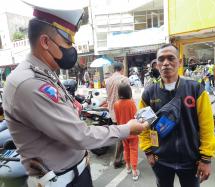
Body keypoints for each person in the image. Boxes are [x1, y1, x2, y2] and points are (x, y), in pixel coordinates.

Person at [2, 2, 148, 187]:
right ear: (45, 42)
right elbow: (80, 135)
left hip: (75, 174)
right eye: (68, 42)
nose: (72, 49)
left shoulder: (44, 73)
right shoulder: (29, 82)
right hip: (59, 182)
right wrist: (127, 129)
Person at [139, 44, 215, 187]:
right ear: (156, 64)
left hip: (191, 161)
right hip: (160, 160)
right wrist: (148, 151)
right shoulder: (149, 94)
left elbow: (207, 126)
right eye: (161, 59)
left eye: (171, 58)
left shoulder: (195, 89)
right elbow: (143, 126)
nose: (166, 63)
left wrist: (206, 159)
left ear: (180, 62)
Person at [105, 62, 130, 168]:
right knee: (122, 135)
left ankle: (122, 158)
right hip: (122, 110)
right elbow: (129, 96)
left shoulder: (108, 80)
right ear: (122, 69)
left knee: (118, 134)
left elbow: (108, 95)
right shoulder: (124, 79)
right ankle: (117, 160)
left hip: (112, 111)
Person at [114, 83, 140, 181]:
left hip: (122, 131)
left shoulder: (116, 104)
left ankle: (128, 167)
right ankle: (134, 171)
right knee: (133, 150)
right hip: (132, 131)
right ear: (129, 92)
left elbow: (117, 119)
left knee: (126, 149)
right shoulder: (131, 103)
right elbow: (136, 117)